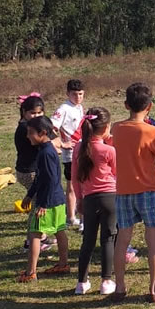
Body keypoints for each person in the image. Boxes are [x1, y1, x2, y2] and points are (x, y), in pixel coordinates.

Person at [110, 83, 155, 303]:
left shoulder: (116, 128)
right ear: (150, 107)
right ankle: (154, 288)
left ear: (126, 105)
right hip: (150, 190)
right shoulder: (151, 131)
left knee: (122, 240)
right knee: (153, 239)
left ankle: (120, 287)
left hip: (124, 190)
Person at [17, 116, 70, 282]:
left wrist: (43, 204)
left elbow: (49, 180)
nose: (28, 136)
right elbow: (40, 178)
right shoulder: (46, 150)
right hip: (58, 199)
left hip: (48, 202)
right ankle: (63, 264)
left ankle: (30, 273)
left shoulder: (46, 154)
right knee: (59, 230)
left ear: (43, 133)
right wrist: (29, 194)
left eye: (31, 133)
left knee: (34, 234)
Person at [71, 108, 117, 295]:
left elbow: (75, 178)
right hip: (110, 197)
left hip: (89, 199)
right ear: (106, 127)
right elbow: (118, 174)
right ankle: (106, 281)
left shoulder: (78, 149)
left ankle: (82, 282)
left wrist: (79, 199)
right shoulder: (109, 150)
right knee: (108, 238)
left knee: (88, 240)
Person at [14, 94, 55, 252]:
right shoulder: (27, 128)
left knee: (38, 204)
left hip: (29, 170)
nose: (36, 116)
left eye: (39, 113)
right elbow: (51, 141)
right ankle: (30, 241)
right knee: (38, 206)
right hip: (28, 172)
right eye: (32, 113)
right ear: (24, 112)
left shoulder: (30, 125)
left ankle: (41, 237)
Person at [50, 79, 85, 231]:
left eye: (81, 94)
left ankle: (77, 214)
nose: (78, 97)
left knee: (83, 184)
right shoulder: (63, 109)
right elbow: (51, 127)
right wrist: (61, 144)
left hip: (82, 151)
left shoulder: (79, 107)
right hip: (70, 155)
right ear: (67, 94)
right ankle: (71, 217)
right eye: (74, 94)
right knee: (72, 185)